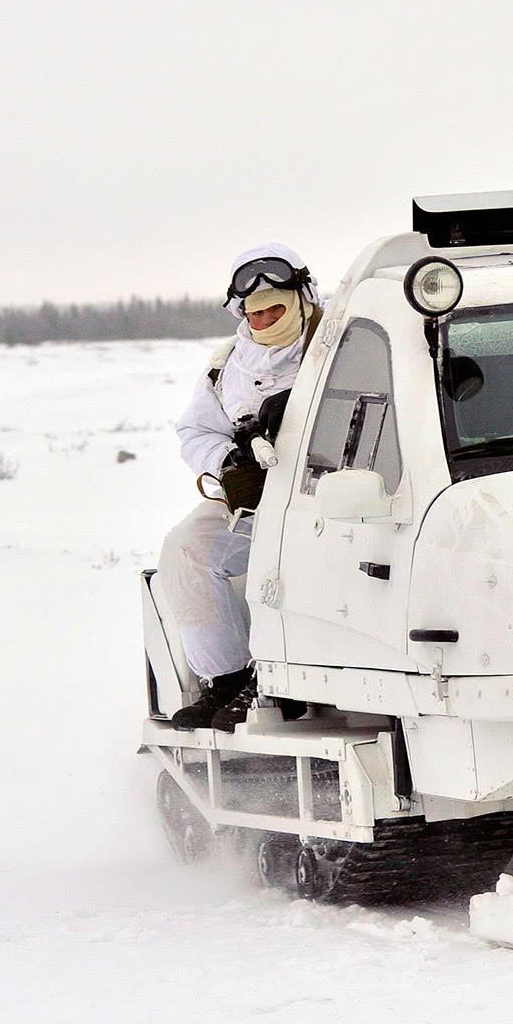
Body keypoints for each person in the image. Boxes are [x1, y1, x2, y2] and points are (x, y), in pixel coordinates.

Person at [155, 244, 324, 732]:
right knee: (186, 550)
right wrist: (231, 461)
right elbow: (196, 432)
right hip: (259, 500)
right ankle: (228, 682)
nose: (267, 317)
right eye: (256, 311)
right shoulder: (227, 365)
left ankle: (293, 681)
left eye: (277, 306)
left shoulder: (341, 343)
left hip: (341, 495)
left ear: (300, 298)